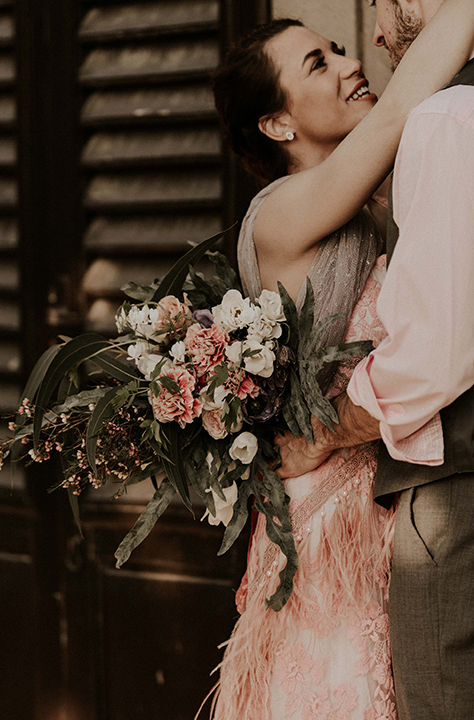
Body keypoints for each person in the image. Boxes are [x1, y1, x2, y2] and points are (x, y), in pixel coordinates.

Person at [204, 3, 474, 719]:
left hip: (388, 494)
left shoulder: (372, 208)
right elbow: (391, 122)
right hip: (326, 523)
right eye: (318, 64)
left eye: (337, 48)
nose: (354, 62)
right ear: (277, 124)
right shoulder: (284, 211)